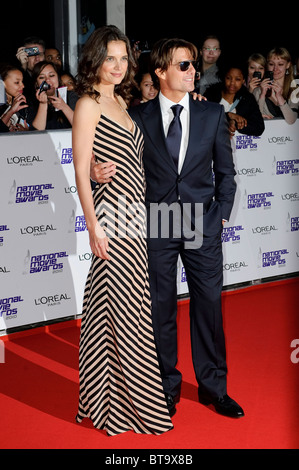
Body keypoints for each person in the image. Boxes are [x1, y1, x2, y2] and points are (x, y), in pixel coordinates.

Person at [93, 37, 244, 419]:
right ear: (160, 72)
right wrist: (95, 174)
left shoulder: (210, 115)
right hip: (156, 220)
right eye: (183, 65)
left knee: (207, 306)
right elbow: (118, 163)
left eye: (193, 65)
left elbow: (226, 173)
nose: (193, 71)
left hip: (200, 221)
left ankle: (214, 388)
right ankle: (165, 388)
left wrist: (220, 216)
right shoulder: (137, 117)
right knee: (160, 309)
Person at [72, 25, 173, 436]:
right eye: (109, 57)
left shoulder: (122, 101)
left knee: (113, 312)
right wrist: (94, 226)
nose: (117, 66)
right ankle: (132, 407)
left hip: (136, 220)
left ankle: (104, 398)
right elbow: (81, 172)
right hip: (112, 220)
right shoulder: (88, 104)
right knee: (128, 315)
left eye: (122, 58)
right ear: (95, 59)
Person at [204, 64, 265, 136]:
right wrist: (228, 116)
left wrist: (235, 124)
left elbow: (259, 127)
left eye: (237, 79)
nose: (232, 83)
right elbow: (204, 118)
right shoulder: (211, 94)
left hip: (235, 146)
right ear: (224, 77)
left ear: (243, 80)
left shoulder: (247, 99)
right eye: (228, 78)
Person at [253, 47, 299, 124]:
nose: (275, 69)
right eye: (271, 64)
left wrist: (279, 97)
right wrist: (262, 95)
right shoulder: (258, 90)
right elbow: (256, 119)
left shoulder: (295, 90)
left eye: (280, 64)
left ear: (288, 65)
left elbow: (291, 120)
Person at [29, 61, 78, 130]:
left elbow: (81, 127)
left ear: (58, 78)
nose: (47, 80)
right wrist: (43, 104)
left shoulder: (70, 96)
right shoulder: (32, 101)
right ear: (36, 83)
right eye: (42, 77)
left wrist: (64, 107)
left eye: (51, 75)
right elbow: (36, 134)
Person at [0, 64, 30, 132]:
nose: (22, 86)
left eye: (22, 82)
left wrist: (26, 132)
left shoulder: (24, 104)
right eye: (17, 82)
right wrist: (11, 111)